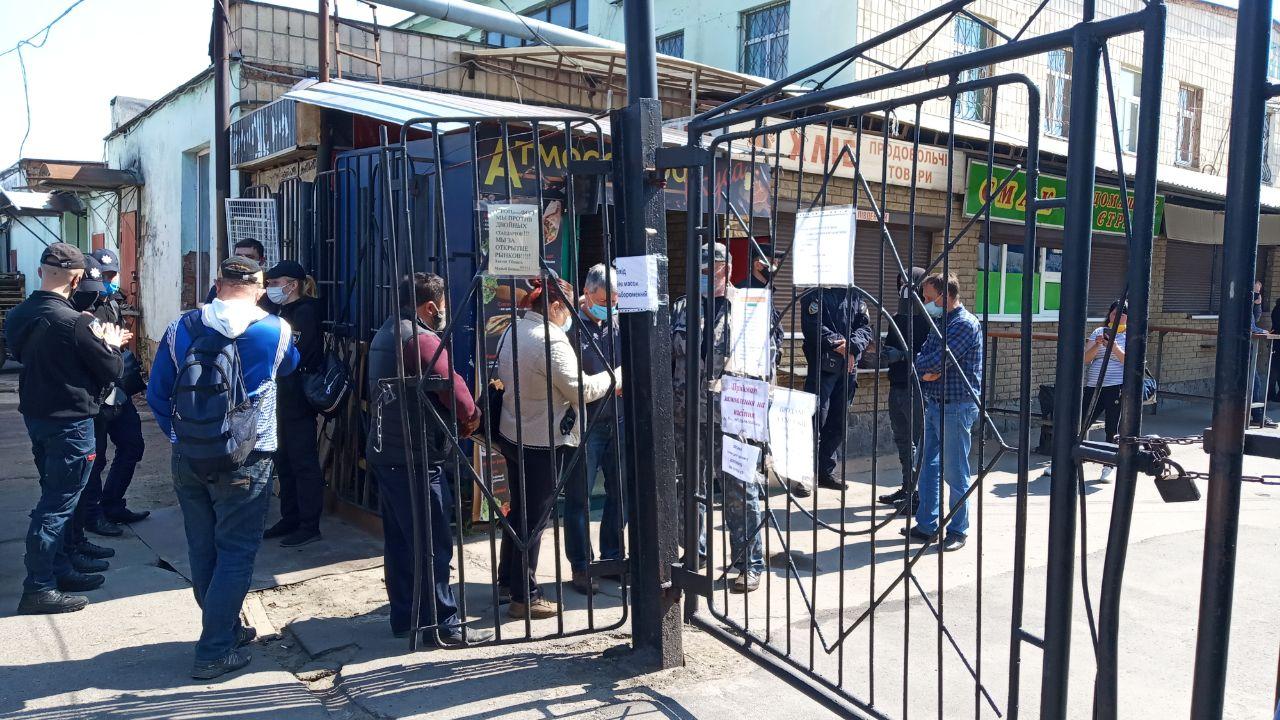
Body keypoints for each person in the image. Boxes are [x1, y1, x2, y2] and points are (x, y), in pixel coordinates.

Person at [147, 256, 299, 680]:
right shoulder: (276, 330)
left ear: (217, 284)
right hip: (248, 456)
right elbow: (290, 366)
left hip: (188, 455)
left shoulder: (181, 327)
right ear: (261, 288)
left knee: (203, 548)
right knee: (236, 551)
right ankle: (214, 650)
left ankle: (226, 628)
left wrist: (181, 437)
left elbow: (157, 393)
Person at [366, 272, 492, 644]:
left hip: (388, 451)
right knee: (432, 544)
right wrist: (472, 417)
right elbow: (452, 386)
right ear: (431, 306)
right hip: (415, 455)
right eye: (443, 306)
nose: (444, 313)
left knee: (402, 542)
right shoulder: (419, 338)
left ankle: (407, 617)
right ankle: (443, 625)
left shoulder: (388, 330)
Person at [6, 243, 129, 615]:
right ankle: (39, 586)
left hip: (37, 415)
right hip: (71, 422)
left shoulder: (17, 314)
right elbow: (113, 369)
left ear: (40, 272)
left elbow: (20, 355)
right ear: (76, 280)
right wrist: (111, 344)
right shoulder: (77, 322)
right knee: (57, 506)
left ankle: (60, 568)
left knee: (56, 495)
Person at [495, 272, 618, 618]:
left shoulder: (513, 329)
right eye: (567, 309)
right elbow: (582, 390)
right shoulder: (550, 341)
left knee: (520, 512)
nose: (571, 316)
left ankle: (507, 581)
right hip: (541, 440)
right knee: (534, 520)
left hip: (514, 432)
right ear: (553, 307)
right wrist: (615, 376)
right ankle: (525, 596)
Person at [672, 243, 781, 593]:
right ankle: (696, 553)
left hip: (735, 417)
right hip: (688, 415)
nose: (705, 275)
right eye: (701, 270)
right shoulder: (682, 308)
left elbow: (768, 362)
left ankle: (748, 562)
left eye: (712, 269)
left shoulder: (751, 306)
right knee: (689, 487)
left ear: (728, 269)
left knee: (741, 489)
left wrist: (761, 416)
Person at [901, 272, 982, 553]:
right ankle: (927, 525)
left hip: (956, 407)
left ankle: (958, 529)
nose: (924, 301)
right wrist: (927, 370)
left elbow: (938, 360)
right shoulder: (940, 322)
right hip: (934, 404)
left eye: (928, 296)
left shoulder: (965, 324)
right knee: (927, 466)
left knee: (955, 471)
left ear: (944, 295)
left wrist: (928, 369)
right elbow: (921, 358)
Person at [564, 263, 625, 595]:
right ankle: (582, 566)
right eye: (604, 301)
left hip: (618, 420)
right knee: (579, 500)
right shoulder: (570, 328)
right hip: (585, 424)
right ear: (586, 293)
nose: (610, 307)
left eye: (614, 301)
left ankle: (612, 558)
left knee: (621, 492)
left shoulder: (618, 324)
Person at [261, 261, 327, 547]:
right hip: (280, 397)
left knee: (303, 462)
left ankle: (309, 525)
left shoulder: (305, 312)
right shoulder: (281, 310)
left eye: (276, 284)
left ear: (293, 285)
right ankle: (290, 517)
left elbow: (295, 353)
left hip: (298, 398)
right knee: (283, 460)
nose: (271, 289)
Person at [800, 280, 874, 491]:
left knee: (838, 422)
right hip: (822, 369)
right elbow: (812, 326)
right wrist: (839, 344)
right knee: (814, 421)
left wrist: (852, 346)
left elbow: (865, 327)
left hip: (848, 369)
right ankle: (806, 475)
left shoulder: (854, 294)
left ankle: (826, 472)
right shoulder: (814, 292)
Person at [877, 267, 931, 512]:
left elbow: (931, 355)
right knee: (902, 440)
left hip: (918, 388)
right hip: (896, 384)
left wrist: (904, 356)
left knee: (919, 442)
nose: (903, 289)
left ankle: (919, 495)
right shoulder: (898, 317)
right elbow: (890, 345)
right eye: (900, 285)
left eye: (907, 285)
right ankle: (908, 487)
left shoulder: (929, 319)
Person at [1083, 301, 1128, 483]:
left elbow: (1129, 361)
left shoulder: (1131, 335)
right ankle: (1063, 460)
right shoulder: (1098, 332)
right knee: (1080, 421)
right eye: (1114, 313)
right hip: (1094, 385)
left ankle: (1108, 465)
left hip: (1115, 386)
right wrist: (1097, 344)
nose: (1116, 317)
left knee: (1112, 427)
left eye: (1121, 314)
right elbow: (1086, 359)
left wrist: (1113, 346)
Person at [204, 239, 266, 305]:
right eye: (238, 257)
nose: (243, 261)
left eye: (249, 257)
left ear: (262, 261)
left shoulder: (270, 288)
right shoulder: (221, 286)